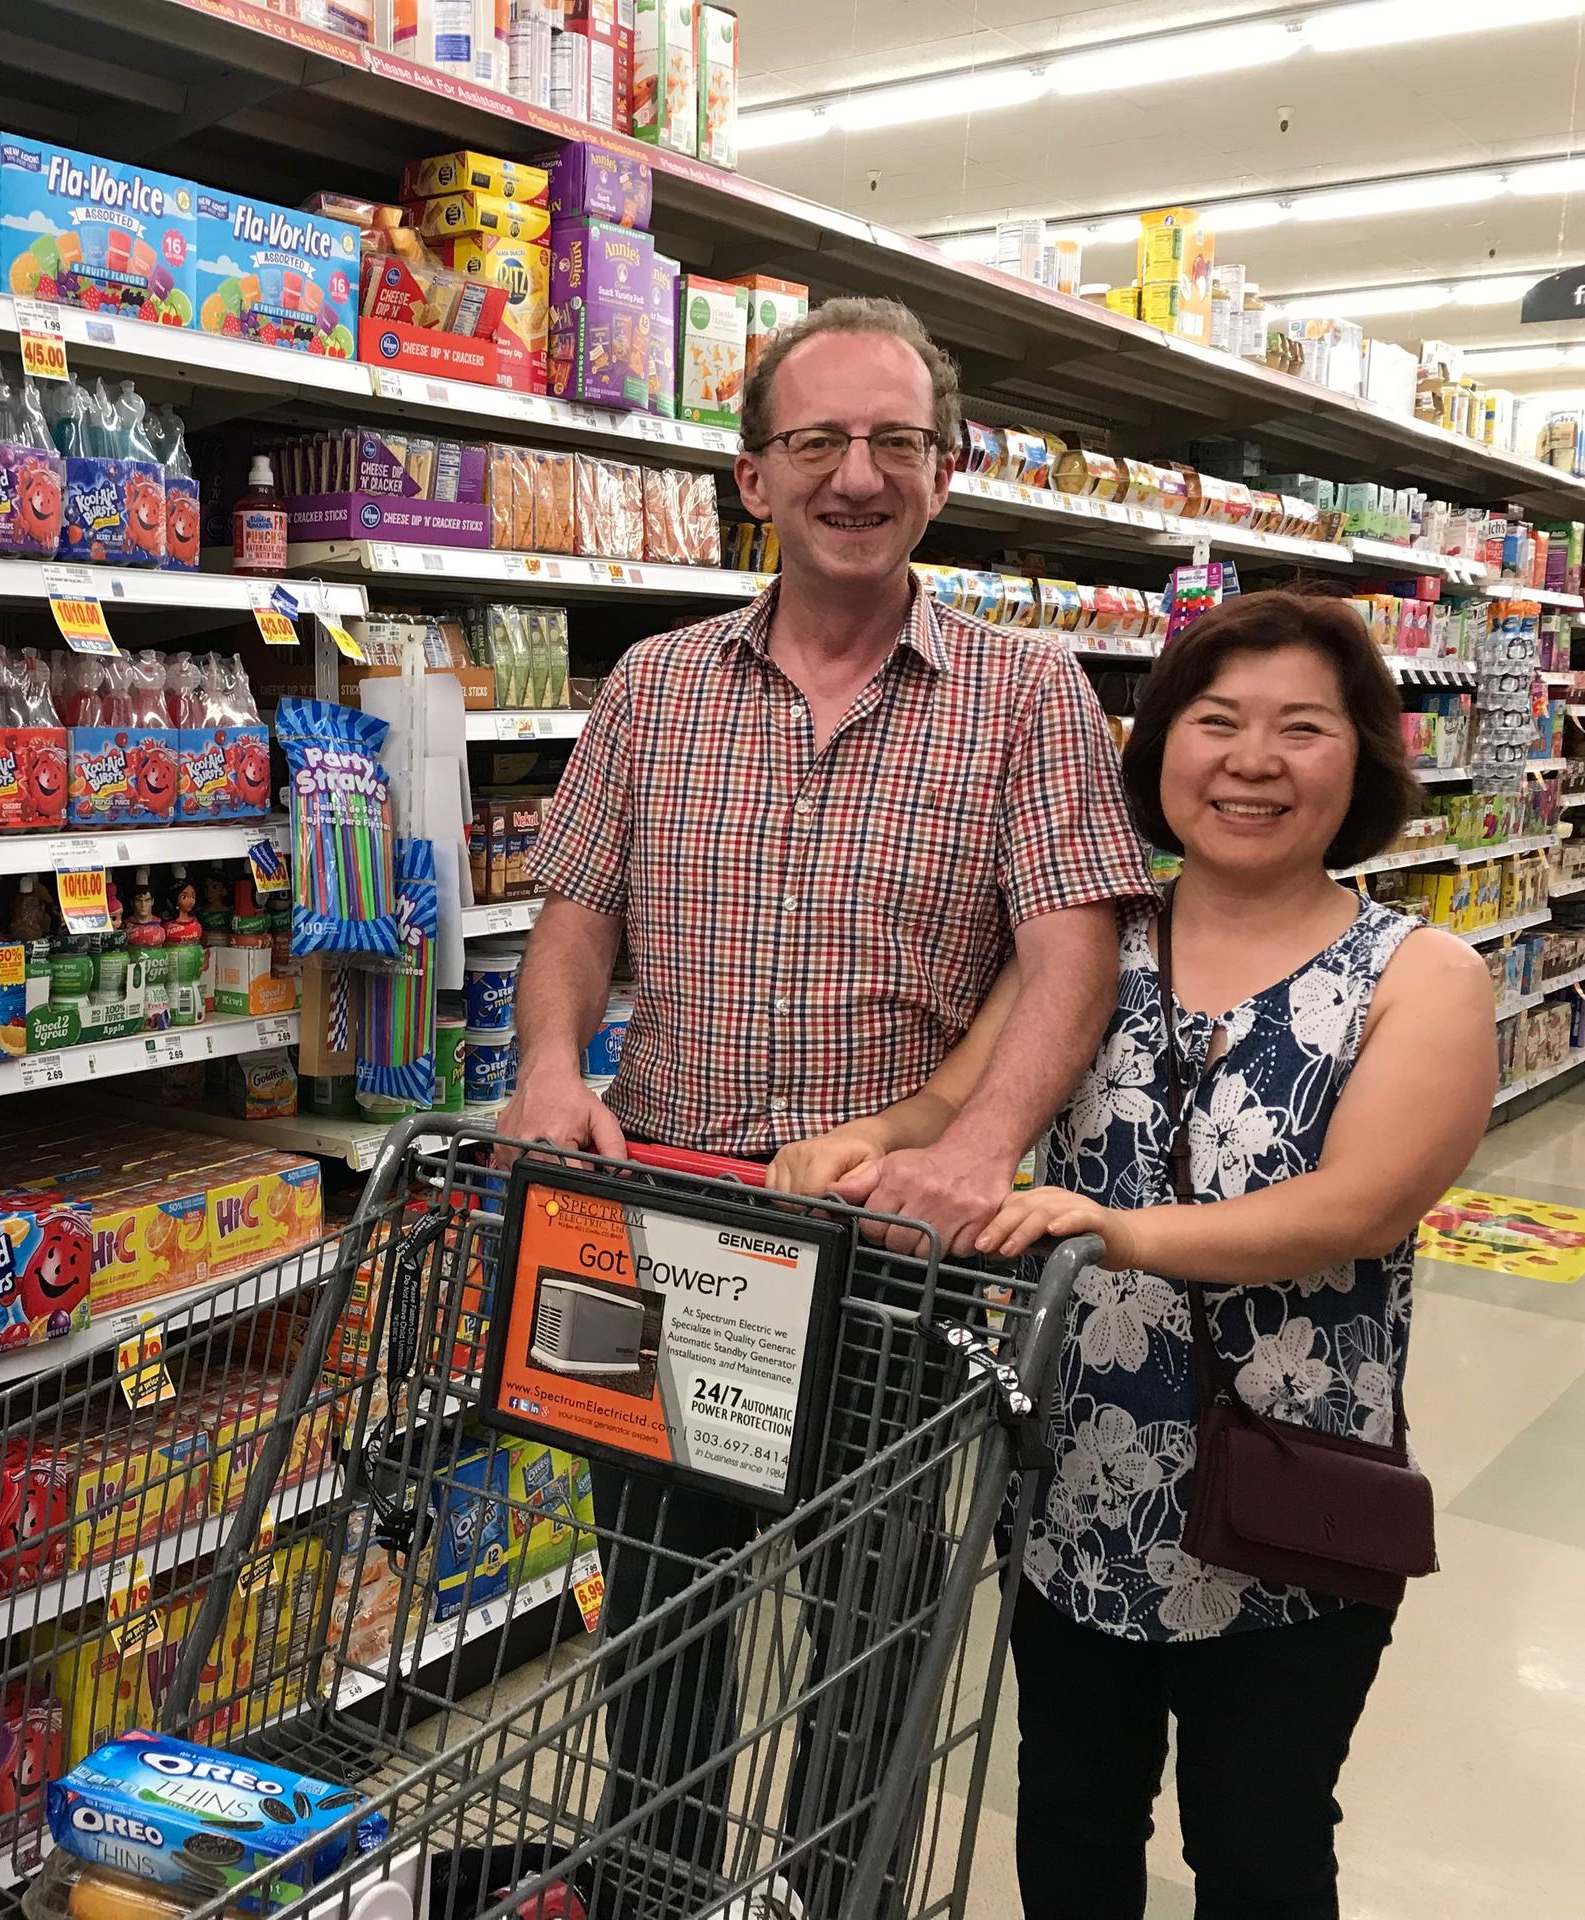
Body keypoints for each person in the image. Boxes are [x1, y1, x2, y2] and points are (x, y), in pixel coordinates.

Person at [497, 296, 1155, 1912]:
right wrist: (543, 1070)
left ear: (945, 473)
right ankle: (659, 1883)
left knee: (865, 1634)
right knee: (657, 1609)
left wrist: (980, 1150)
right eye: (816, 443)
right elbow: (576, 910)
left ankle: (820, 1897)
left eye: (894, 443)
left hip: (894, 1246)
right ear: (753, 478)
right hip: (660, 1221)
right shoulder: (654, 686)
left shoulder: (1027, 692)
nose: (855, 476)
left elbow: (1075, 945)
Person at [773, 591, 1495, 1920]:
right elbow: (955, 1108)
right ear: (1162, 752)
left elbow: (1358, 1212)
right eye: (1215, 723)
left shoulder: (1423, 973)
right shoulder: (1094, 945)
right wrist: (861, 1143)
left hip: (1286, 1504)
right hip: (1075, 1493)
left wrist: (1110, 1228)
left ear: (1365, 758)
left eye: (1302, 729)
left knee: (1262, 1846)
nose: (1253, 762)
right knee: (1070, 1825)